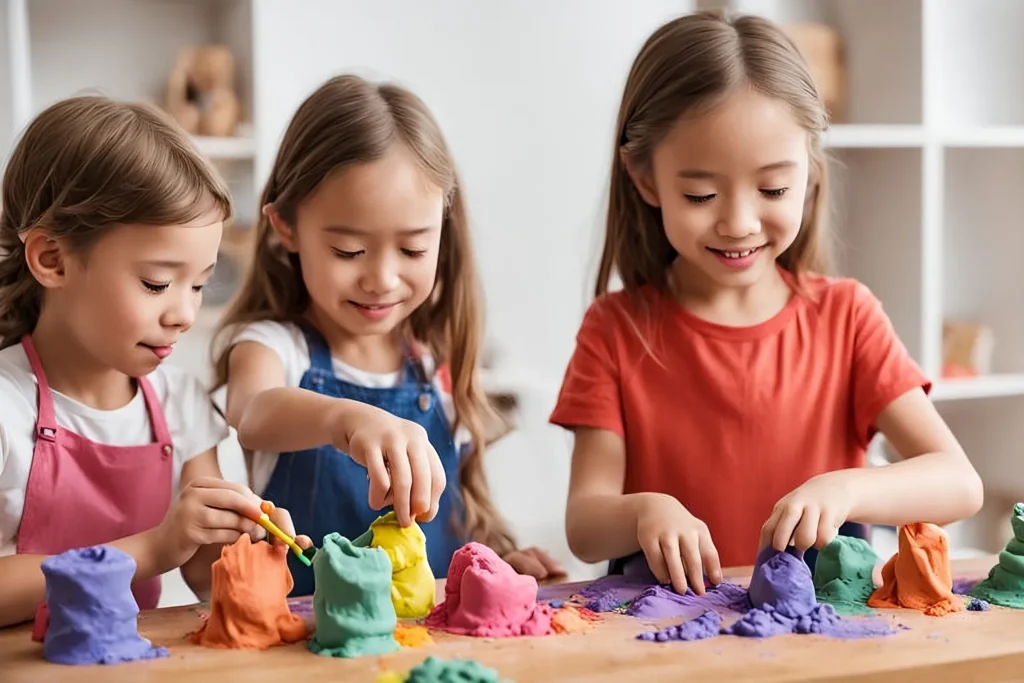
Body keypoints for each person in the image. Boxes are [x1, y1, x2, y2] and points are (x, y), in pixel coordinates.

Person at [550, 10, 984, 595]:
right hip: (668, 630)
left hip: (821, 634)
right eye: (700, 194)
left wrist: (849, 488)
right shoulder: (616, 328)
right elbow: (585, 524)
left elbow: (959, 482)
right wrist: (642, 512)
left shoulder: (846, 317)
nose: (738, 222)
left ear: (809, 170)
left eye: (773, 189)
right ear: (645, 177)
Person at [212, 75, 562, 596]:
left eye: (413, 250)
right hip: (306, 650)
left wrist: (499, 559)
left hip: (428, 646)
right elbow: (254, 412)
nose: (381, 279)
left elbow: (455, 516)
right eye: (349, 251)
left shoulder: (433, 365)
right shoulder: (273, 346)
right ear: (287, 228)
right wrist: (344, 419)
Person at [0, 96, 304, 629]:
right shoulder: (8, 405)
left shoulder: (180, 404)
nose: (184, 313)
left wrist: (246, 549)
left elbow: (203, 571)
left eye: (200, 284)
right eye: (157, 283)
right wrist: (150, 549)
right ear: (52, 259)